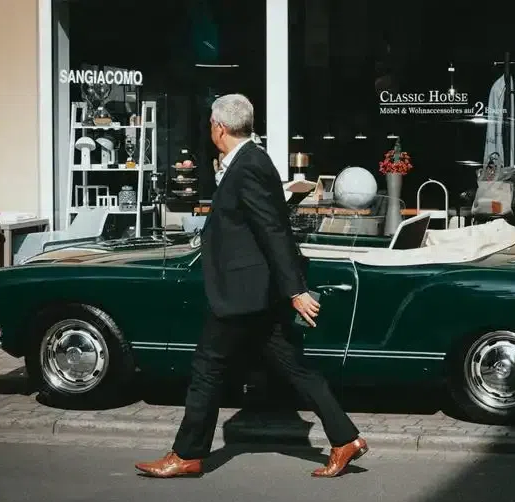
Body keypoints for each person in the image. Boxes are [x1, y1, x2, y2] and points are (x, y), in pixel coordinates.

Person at [135, 94, 368, 479]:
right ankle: (346, 439)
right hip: (257, 290)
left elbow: (273, 230)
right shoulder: (250, 161)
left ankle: (187, 455)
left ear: (219, 127)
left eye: (211, 124)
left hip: (244, 292)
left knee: (207, 368)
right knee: (294, 366)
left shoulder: (247, 166)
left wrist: (296, 291)